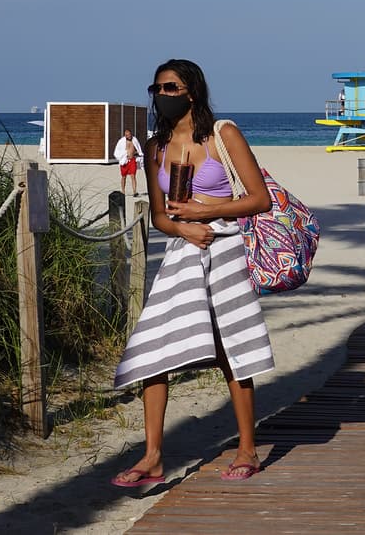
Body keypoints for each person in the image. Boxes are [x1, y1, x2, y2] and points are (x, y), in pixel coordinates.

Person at [111, 59, 275, 488]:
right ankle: (152, 456)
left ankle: (247, 449)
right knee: (154, 344)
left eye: (172, 87)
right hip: (182, 251)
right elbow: (159, 216)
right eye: (158, 88)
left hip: (225, 249)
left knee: (229, 346)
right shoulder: (155, 147)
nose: (163, 95)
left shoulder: (223, 135)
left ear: (192, 91)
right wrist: (183, 227)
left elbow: (259, 199)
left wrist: (207, 212)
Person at [113, 128, 144, 195]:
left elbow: (138, 149)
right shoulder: (121, 141)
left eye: (129, 134)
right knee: (124, 177)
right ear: (125, 135)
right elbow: (117, 151)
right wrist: (122, 156)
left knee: (133, 176)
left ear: (131, 134)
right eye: (127, 135)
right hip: (125, 160)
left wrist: (138, 153)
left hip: (132, 160)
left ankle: (134, 192)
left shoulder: (134, 140)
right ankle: (123, 191)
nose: (128, 136)